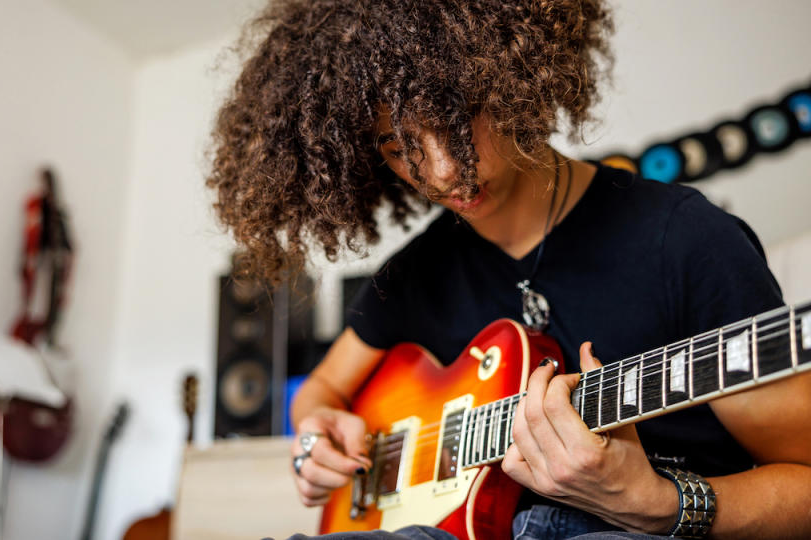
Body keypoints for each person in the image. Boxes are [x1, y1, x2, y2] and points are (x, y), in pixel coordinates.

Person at [206, 1, 811, 538]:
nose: (443, 172)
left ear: (514, 77)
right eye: (399, 146)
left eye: (459, 115)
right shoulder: (413, 275)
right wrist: (313, 436)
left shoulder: (687, 240)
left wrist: (663, 506)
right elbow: (321, 390)